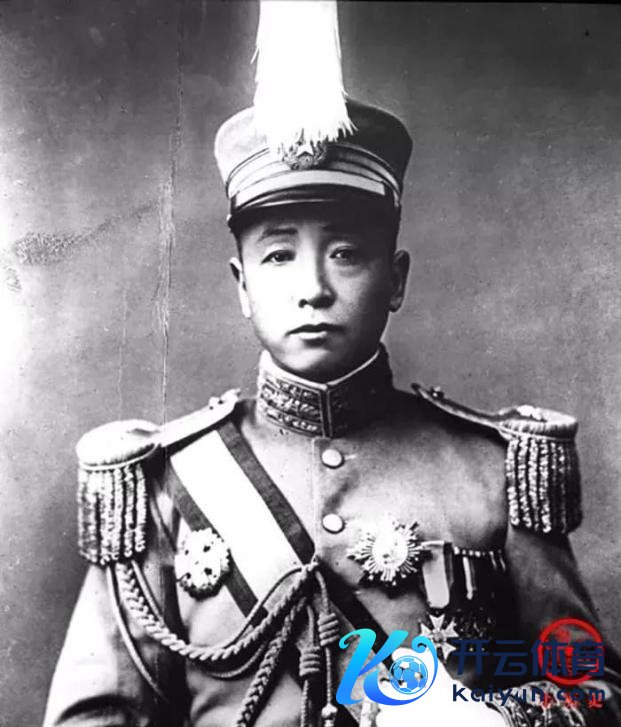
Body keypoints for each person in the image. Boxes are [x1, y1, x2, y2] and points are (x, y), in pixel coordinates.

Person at [43, 3, 620, 726]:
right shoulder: (168, 486)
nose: (312, 287)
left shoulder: (492, 473)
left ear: (395, 278)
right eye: (278, 255)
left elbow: (592, 692)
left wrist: (489, 719)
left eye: (346, 252)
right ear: (241, 285)